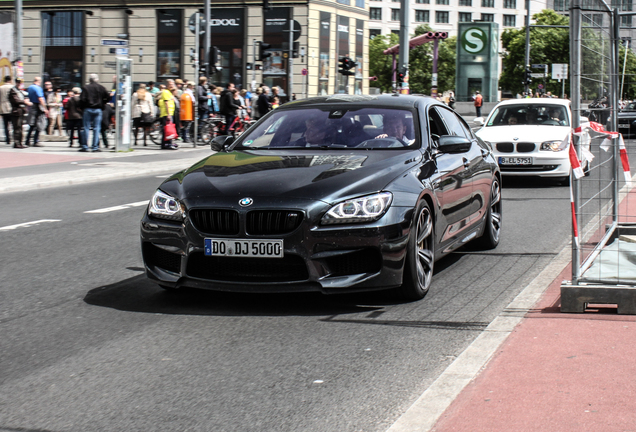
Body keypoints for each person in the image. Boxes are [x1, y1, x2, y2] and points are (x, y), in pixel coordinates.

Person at [79, 73, 110, 152]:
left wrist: (82, 107)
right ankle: (95, 147)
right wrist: (103, 103)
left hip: (88, 109)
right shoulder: (101, 88)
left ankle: (85, 146)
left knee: (86, 127)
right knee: (97, 128)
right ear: (97, 80)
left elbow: (82, 99)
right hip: (98, 109)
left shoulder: (85, 88)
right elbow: (108, 97)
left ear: (89, 80)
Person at [25, 76, 48, 147]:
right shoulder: (38, 88)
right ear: (39, 81)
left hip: (32, 106)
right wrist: (45, 108)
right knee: (39, 124)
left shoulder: (29, 87)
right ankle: (36, 141)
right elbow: (40, 98)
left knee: (32, 125)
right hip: (38, 107)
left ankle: (27, 140)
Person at [8, 78, 31, 148]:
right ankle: (16, 143)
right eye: (18, 82)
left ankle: (20, 142)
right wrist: (25, 102)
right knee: (17, 127)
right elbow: (16, 100)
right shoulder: (13, 90)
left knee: (20, 128)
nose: (19, 84)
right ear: (16, 82)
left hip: (21, 111)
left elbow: (23, 98)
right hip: (16, 111)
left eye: (20, 82)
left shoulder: (19, 91)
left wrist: (26, 99)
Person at [157, 79, 178, 150]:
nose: (171, 85)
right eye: (170, 84)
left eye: (172, 84)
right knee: (167, 130)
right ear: (167, 85)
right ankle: (166, 144)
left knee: (168, 129)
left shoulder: (169, 92)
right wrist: (168, 114)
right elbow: (166, 103)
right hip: (166, 114)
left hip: (169, 113)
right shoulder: (165, 92)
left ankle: (168, 143)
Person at [0, 76, 13, 145]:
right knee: (13, 124)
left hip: (3, 108)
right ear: (10, 80)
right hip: (11, 107)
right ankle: (14, 137)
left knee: (5, 125)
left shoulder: (1, 88)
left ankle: (7, 139)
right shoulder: (12, 87)